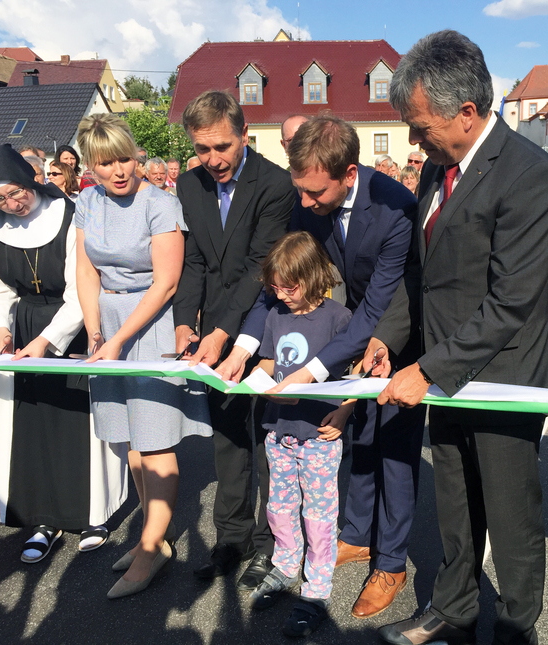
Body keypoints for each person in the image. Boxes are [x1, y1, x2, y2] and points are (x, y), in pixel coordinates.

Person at [369, 30, 548, 645]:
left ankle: (516, 625)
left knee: (510, 514)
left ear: (466, 112)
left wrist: (428, 371)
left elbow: (513, 300)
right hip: (445, 369)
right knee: (455, 500)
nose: (413, 139)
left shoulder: (531, 176)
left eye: (421, 125)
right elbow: (423, 276)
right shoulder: (439, 168)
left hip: (507, 374)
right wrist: (389, 340)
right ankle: (454, 608)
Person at [218, 115, 421, 619]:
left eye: (314, 193)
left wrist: (311, 372)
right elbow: (278, 284)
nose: (304, 204)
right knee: (349, 438)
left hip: (393, 325)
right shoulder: (308, 195)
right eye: (300, 191)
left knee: (391, 447)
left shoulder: (395, 207)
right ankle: (354, 536)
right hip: (337, 323)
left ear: (349, 174)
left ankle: (391, 562)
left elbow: (376, 307)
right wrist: (245, 346)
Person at [0, 145, 126, 563]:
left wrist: (48, 340)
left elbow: (80, 285)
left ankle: (93, 514)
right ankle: (42, 517)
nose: (11, 205)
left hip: (76, 324)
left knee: (79, 422)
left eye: (16, 193)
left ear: (30, 180)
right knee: (33, 426)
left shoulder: (68, 214)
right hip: (23, 327)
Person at [75, 113, 211, 598]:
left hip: (149, 325)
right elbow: (86, 270)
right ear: (89, 167)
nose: (117, 170)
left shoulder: (161, 202)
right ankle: (155, 533)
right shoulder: (87, 202)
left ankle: (153, 546)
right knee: (128, 439)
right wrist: (95, 329)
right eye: (104, 163)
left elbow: (167, 282)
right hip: (107, 325)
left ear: (137, 155)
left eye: (124, 159)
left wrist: (117, 340)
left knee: (154, 440)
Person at [173, 90, 295, 589]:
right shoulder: (189, 185)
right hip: (212, 333)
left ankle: (272, 545)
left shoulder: (276, 184)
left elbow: (258, 268)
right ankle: (232, 538)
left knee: (270, 443)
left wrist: (222, 332)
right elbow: (195, 262)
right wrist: (185, 323)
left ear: (245, 135)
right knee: (227, 440)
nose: (213, 159)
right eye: (202, 149)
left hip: (265, 324)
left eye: (222, 146)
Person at [245, 231, 353, 637]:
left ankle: (316, 590)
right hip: (279, 431)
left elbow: (357, 375)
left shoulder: (338, 318)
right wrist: (243, 379)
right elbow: (270, 361)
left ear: (312, 276)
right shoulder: (275, 315)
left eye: (289, 287)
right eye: (274, 287)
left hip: (319, 435)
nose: (281, 294)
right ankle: (286, 565)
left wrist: (344, 413)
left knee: (320, 515)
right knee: (279, 505)